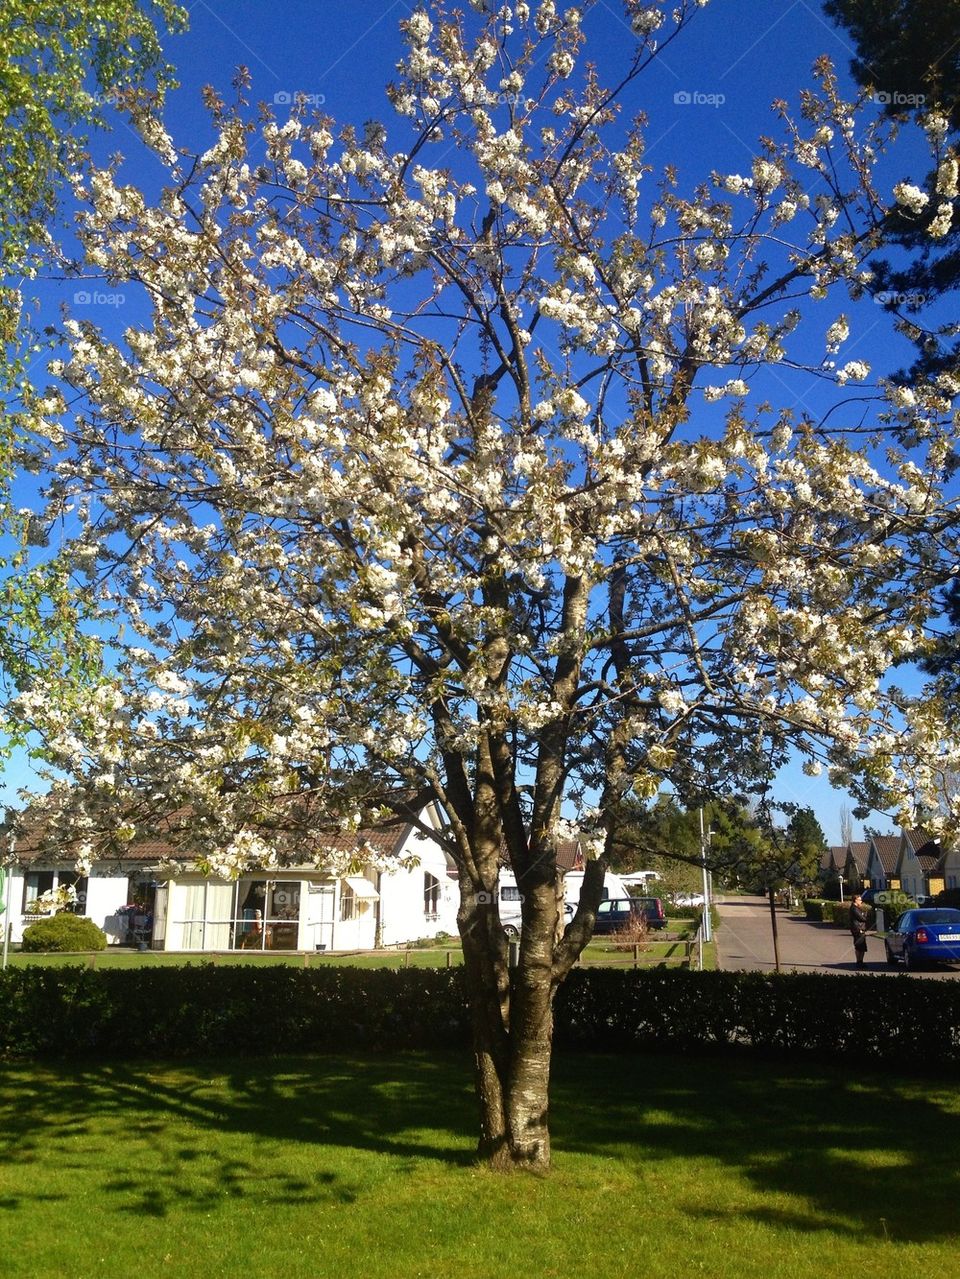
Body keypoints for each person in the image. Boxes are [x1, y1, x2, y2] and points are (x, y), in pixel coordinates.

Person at [850, 894, 869, 968]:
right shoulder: (854, 909)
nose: (861, 901)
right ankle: (859, 962)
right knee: (859, 946)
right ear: (855, 900)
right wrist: (865, 915)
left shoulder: (857, 908)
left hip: (860, 929)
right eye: (860, 900)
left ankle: (860, 961)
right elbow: (862, 918)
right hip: (858, 929)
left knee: (862, 947)